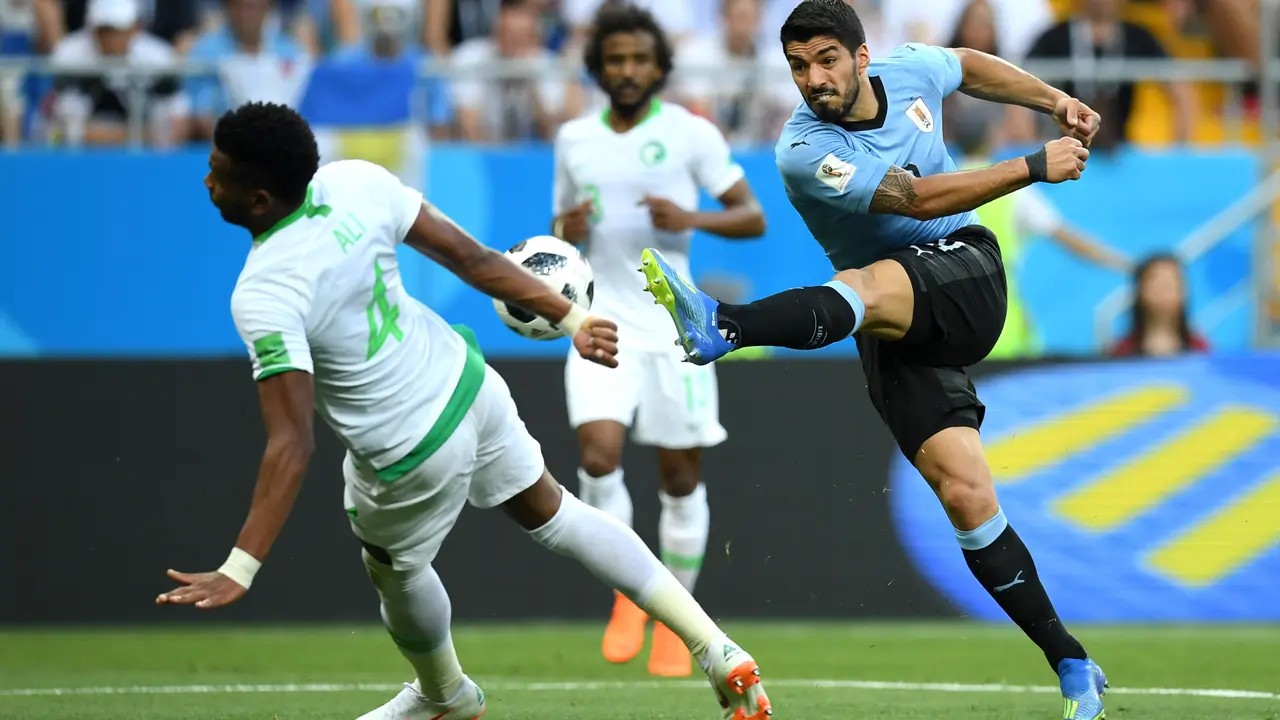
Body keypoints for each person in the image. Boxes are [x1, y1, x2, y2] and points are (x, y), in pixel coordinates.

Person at [154, 101, 772, 720]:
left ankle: (444, 695)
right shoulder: (355, 181)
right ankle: (713, 645)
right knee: (557, 512)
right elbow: (474, 260)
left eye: (217, 172)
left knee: (394, 568)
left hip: (406, 451)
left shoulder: (263, 291)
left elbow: (291, 441)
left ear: (259, 199)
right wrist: (572, 318)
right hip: (468, 384)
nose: (207, 181)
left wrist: (241, 566)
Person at [638, 0, 1108, 717]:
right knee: (966, 496)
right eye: (798, 66)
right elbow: (911, 198)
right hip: (888, 319)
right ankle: (1073, 664)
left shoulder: (911, 69)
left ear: (862, 57)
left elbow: (968, 67)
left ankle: (725, 324)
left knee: (862, 285)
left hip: (965, 272)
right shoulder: (802, 149)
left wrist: (1053, 101)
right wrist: (1032, 165)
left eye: (827, 60)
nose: (813, 79)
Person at [549, 1, 766, 678]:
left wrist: (689, 218)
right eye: (615, 59)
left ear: (659, 68)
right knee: (598, 457)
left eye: (640, 59)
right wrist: (565, 228)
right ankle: (630, 592)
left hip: (678, 328)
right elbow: (557, 238)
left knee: (680, 475)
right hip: (601, 323)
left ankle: (680, 618)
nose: (628, 70)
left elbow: (752, 216)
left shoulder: (689, 133)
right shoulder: (574, 139)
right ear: (598, 68)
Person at [1107, 253, 1210, 358]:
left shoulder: (1199, 350)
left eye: (1172, 281)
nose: (1164, 288)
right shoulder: (1122, 352)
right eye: (1156, 280)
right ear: (1139, 290)